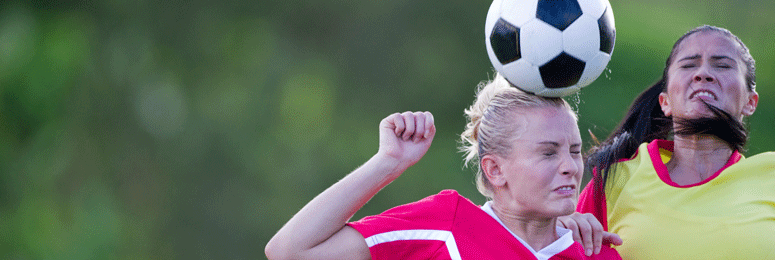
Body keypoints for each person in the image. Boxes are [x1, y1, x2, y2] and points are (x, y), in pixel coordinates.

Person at [264, 75, 621, 259]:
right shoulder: (445, 226)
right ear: (495, 170)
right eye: (547, 153)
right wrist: (388, 163)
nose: (570, 167)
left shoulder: (593, 251)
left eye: (575, 150)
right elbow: (291, 250)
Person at [566, 25, 775, 259]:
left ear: (751, 102)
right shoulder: (613, 180)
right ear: (665, 102)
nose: (703, 73)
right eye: (688, 65)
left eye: (723, 66)